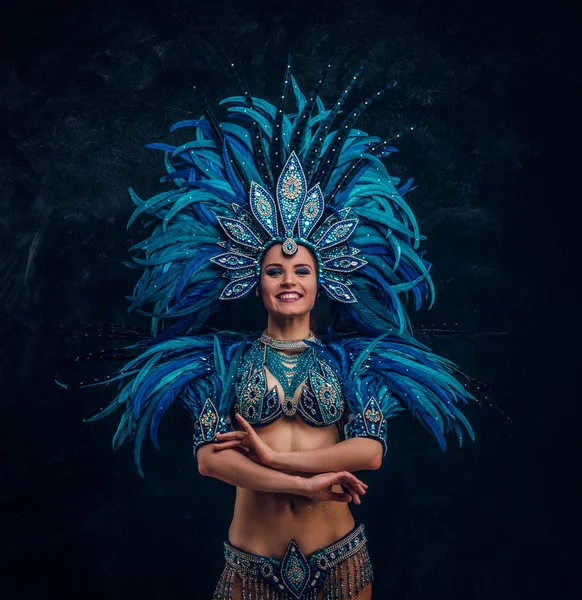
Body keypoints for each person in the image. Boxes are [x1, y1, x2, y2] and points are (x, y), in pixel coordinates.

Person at [80, 58, 477, 600]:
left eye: (301, 269)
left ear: (323, 281)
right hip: (250, 569)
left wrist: (275, 457)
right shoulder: (217, 363)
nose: (288, 278)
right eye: (274, 269)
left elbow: (369, 452)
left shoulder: (354, 364)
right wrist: (304, 482)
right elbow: (210, 460)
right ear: (254, 281)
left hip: (341, 565)